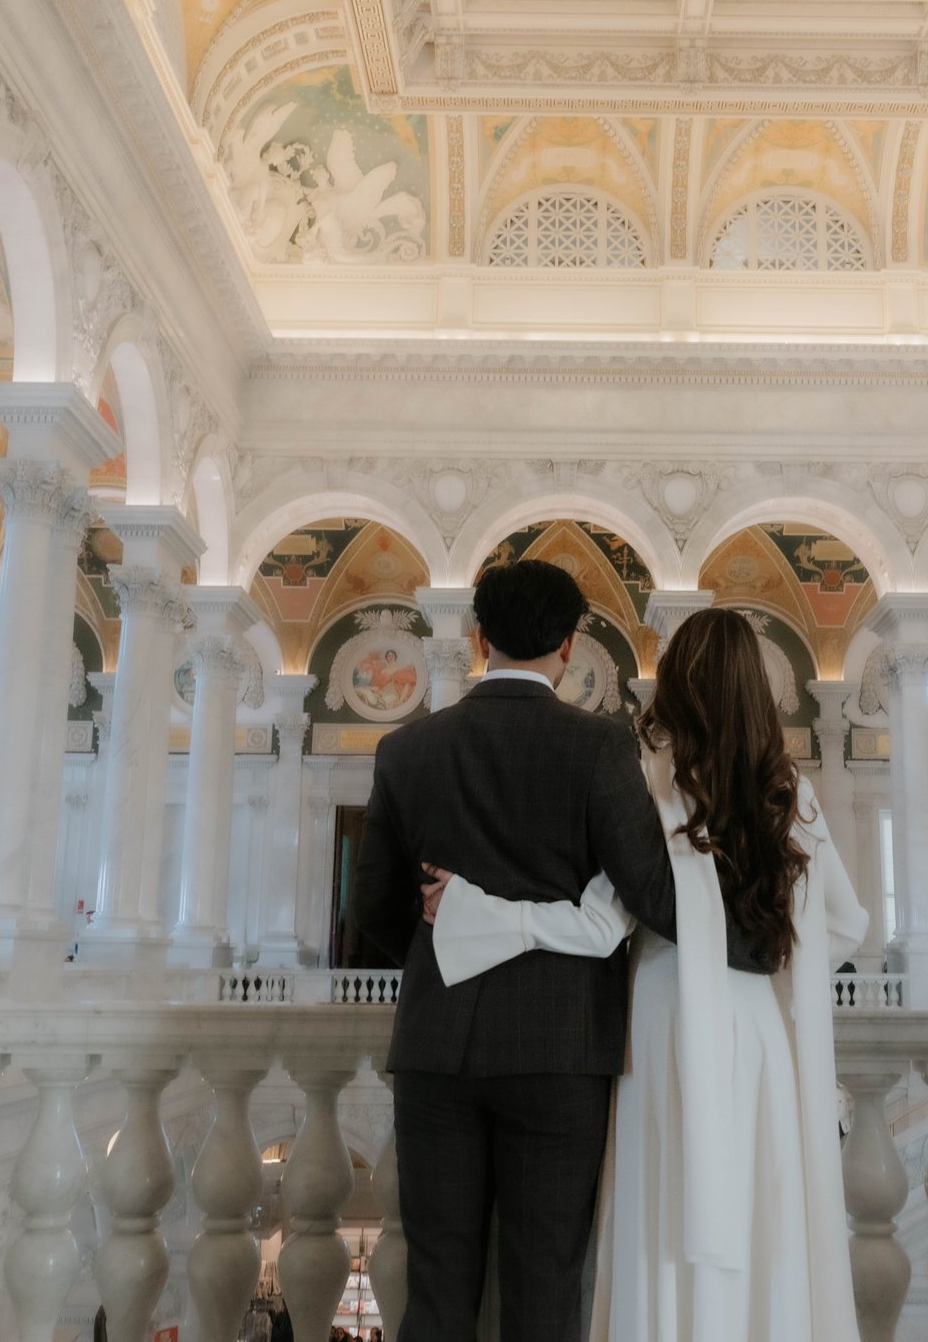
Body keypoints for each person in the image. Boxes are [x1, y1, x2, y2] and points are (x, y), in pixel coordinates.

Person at [425, 607, 868, 1342]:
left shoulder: (647, 776)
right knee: (762, 1221)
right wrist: (771, 958)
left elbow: (599, 922)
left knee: (665, 1220)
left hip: (667, 1018)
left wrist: (474, 911)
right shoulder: (790, 792)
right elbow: (846, 925)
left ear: (677, 681)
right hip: (759, 1030)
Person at [348, 559, 679, 1342]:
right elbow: (652, 891)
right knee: (544, 1295)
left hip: (436, 1046)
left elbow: (372, 909)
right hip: (561, 1054)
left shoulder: (408, 749)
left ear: (478, 636)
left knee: (436, 1293)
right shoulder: (600, 747)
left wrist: (450, 947)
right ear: (569, 645)